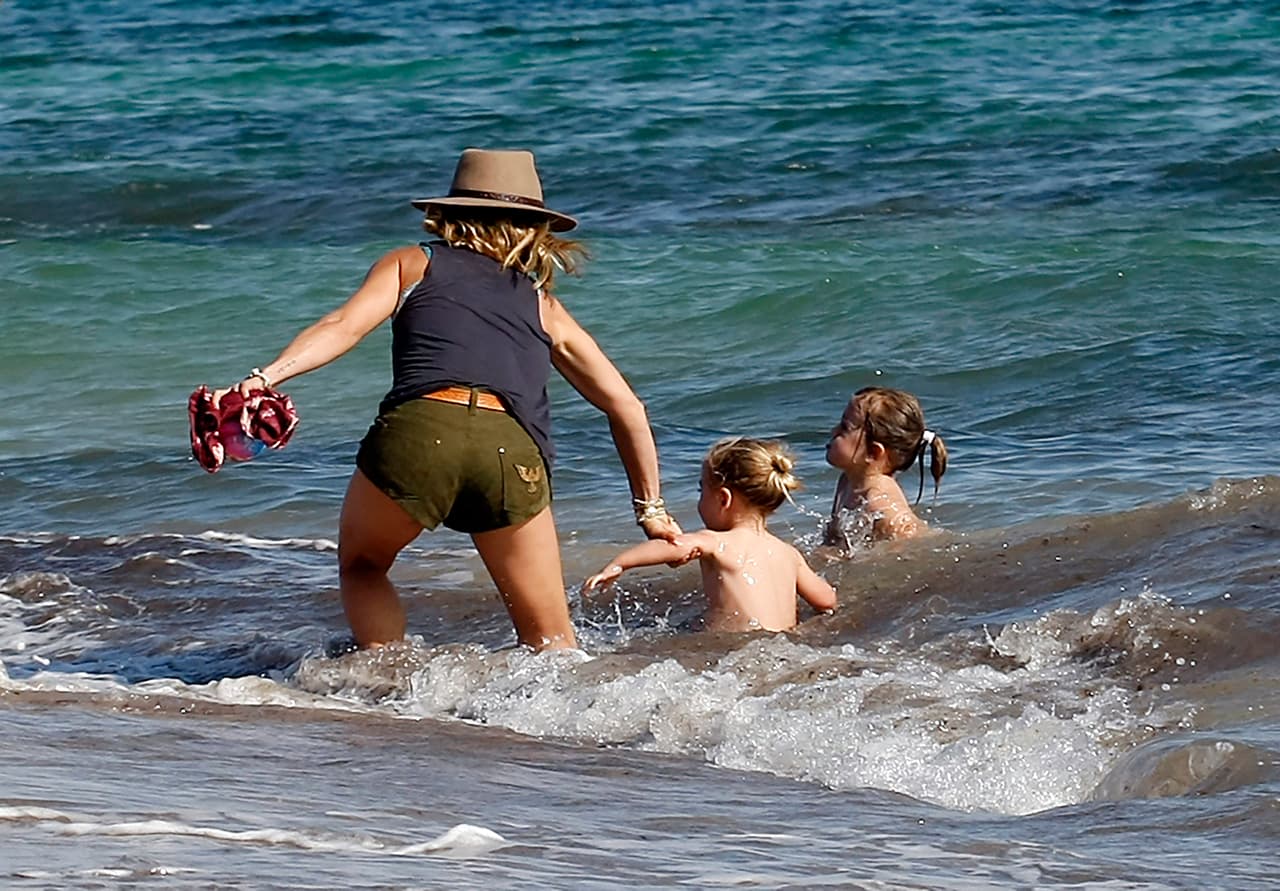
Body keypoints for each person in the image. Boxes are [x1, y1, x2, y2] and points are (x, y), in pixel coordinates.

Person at [213, 148, 681, 651]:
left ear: (450, 212)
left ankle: (384, 679)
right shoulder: (543, 304)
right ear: (534, 226)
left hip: (418, 435)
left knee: (363, 564)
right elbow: (626, 406)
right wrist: (650, 507)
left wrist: (266, 377)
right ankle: (561, 721)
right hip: (511, 451)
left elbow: (342, 327)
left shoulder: (412, 263)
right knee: (551, 641)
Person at [584, 437, 836, 632]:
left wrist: (619, 564)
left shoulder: (717, 541)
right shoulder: (788, 553)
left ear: (723, 499)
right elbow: (826, 600)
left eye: (701, 489)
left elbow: (674, 546)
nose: (699, 497)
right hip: (780, 647)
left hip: (738, 649)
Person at [824, 386, 948, 547]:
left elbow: (905, 546)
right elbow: (833, 540)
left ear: (873, 453)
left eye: (845, 427)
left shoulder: (879, 504)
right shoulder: (847, 481)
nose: (833, 431)